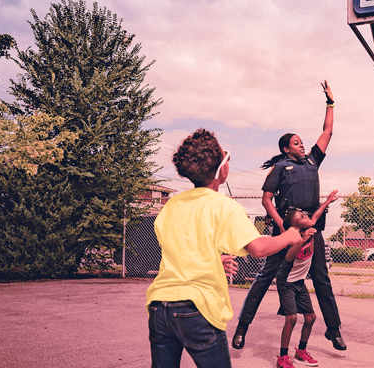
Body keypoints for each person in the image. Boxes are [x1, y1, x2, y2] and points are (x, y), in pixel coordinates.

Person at [145, 129, 302, 368]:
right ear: (222, 170)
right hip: (196, 308)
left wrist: (214, 261)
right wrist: (289, 236)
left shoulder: (172, 204)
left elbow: (182, 249)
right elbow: (258, 248)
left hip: (159, 306)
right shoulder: (224, 206)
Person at [232, 81, 346, 351]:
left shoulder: (312, 161)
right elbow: (266, 200)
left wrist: (330, 103)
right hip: (286, 229)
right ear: (286, 149)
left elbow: (327, 131)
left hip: (311, 227)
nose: (302, 144)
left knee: (321, 278)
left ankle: (333, 329)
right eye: (296, 143)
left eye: (302, 141)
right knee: (266, 275)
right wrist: (282, 225)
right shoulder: (281, 168)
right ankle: (242, 327)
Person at [275, 190, 339, 368]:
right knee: (292, 318)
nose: (307, 216)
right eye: (302, 216)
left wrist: (327, 201)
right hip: (286, 283)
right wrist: (302, 240)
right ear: (296, 226)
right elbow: (288, 257)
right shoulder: (293, 237)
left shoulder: (310, 229)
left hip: (299, 283)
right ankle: (282, 357)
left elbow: (316, 215)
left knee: (310, 318)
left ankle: (301, 352)